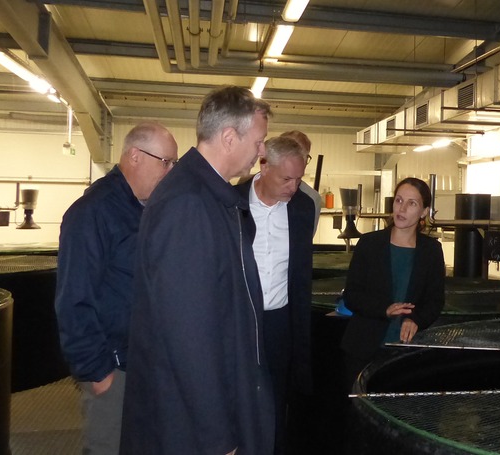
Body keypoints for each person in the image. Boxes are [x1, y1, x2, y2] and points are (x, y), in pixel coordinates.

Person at [120, 86, 273, 455]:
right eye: (259, 140)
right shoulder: (187, 205)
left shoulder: (211, 198)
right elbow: (189, 336)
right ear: (229, 137)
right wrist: (217, 436)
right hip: (189, 424)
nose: (263, 151)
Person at [54, 121, 178, 455]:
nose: (170, 171)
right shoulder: (93, 212)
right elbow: (73, 300)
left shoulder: (143, 208)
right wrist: (98, 373)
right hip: (113, 370)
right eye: (165, 162)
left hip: (143, 364)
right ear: (135, 156)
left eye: (173, 164)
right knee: (109, 446)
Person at [235, 136, 315, 455]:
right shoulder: (232, 201)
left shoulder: (302, 208)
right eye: (286, 179)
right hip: (239, 323)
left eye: (298, 179)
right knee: (237, 401)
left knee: (276, 402)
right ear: (263, 165)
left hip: (280, 323)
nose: (293, 188)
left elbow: (301, 276)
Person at [340, 177, 446, 389]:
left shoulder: (431, 250)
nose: (402, 208)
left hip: (405, 352)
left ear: (424, 212)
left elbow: (435, 300)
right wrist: (384, 309)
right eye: (399, 200)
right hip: (363, 349)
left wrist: (415, 319)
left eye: (412, 203)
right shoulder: (369, 244)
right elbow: (352, 295)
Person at [280, 130, 323, 233]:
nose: (300, 160)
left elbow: (306, 239)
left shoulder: (312, 198)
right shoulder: (251, 185)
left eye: (305, 156)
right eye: (295, 153)